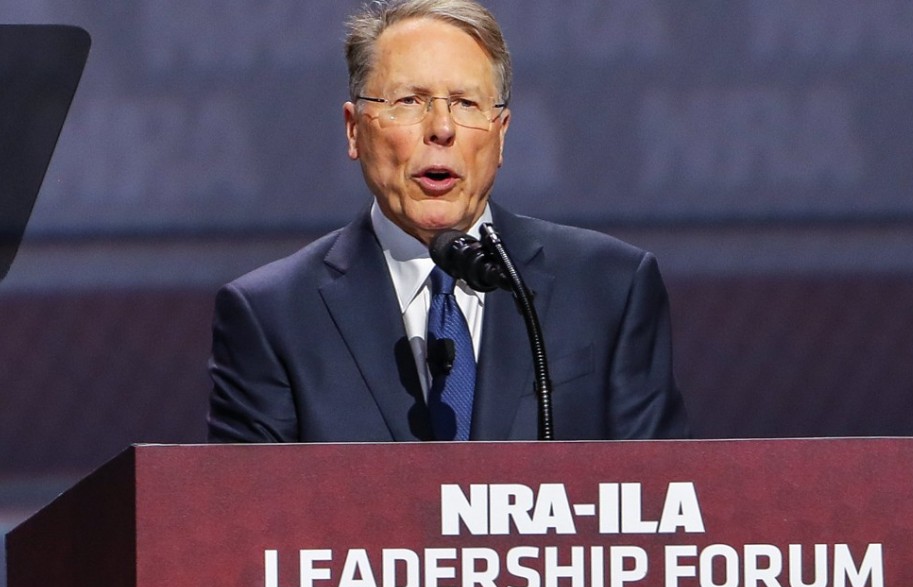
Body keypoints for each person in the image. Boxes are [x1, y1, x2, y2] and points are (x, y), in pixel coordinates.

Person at [207, 0, 688, 442]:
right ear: (355, 131)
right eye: (409, 101)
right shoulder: (271, 317)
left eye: (466, 103)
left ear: (500, 136)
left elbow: (664, 505)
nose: (441, 128)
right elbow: (248, 521)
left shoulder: (610, 288)